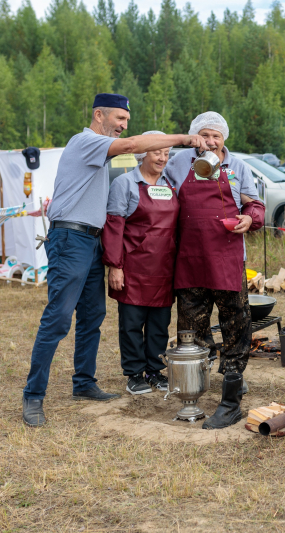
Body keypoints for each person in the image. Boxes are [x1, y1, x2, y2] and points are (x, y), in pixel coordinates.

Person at [22, 93, 207, 428]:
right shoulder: (85, 141)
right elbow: (134, 145)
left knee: (93, 316)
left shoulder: (99, 149)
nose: (123, 127)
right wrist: (183, 138)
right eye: (119, 120)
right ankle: (33, 396)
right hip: (70, 239)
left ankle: (84, 384)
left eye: (126, 121)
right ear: (99, 115)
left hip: (91, 241)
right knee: (59, 319)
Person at [164, 111, 265, 430]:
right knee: (190, 330)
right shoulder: (178, 163)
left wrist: (250, 218)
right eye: (204, 135)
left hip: (227, 259)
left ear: (224, 139)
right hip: (190, 259)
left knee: (236, 326)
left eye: (216, 136)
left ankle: (231, 400)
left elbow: (255, 204)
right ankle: (192, 393)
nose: (210, 141)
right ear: (195, 137)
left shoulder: (239, 167)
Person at [101, 131, 178, 395]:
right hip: (133, 267)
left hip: (164, 267)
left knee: (159, 324)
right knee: (132, 324)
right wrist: (115, 265)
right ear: (142, 152)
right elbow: (114, 227)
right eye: (157, 151)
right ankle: (134, 374)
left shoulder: (171, 184)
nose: (162, 158)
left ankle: (155, 371)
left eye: (166, 153)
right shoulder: (124, 183)